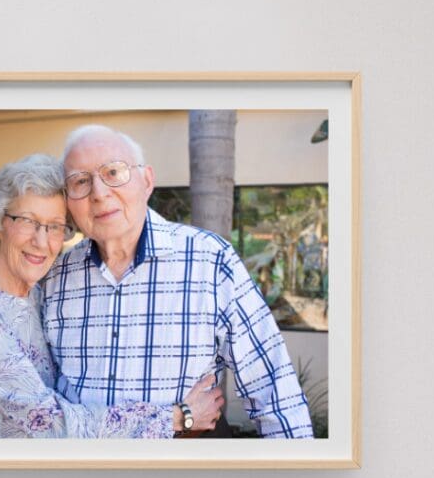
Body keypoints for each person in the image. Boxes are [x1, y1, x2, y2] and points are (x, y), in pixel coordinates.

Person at [0, 154, 222, 439]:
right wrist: (176, 417)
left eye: (55, 226)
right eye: (27, 221)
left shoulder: (41, 295)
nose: (42, 241)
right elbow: (45, 419)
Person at [42, 126, 313, 438]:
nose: (99, 193)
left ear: (147, 181)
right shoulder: (55, 277)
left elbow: (274, 388)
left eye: (114, 172)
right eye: (80, 181)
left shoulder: (210, 261)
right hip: (79, 470)